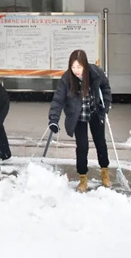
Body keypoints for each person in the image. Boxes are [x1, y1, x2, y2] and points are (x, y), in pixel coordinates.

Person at [48, 49, 113, 192]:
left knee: (100, 143)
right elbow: (58, 100)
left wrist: (105, 105)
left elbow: (105, 87)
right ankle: (83, 178)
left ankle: (105, 173)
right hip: (77, 117)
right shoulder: (67, 79)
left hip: (95, 112)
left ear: (85, 65)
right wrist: (53, 119)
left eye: (79, 67)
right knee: (82, 147)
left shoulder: (95, 73)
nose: (76, 70)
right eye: (73, 67)